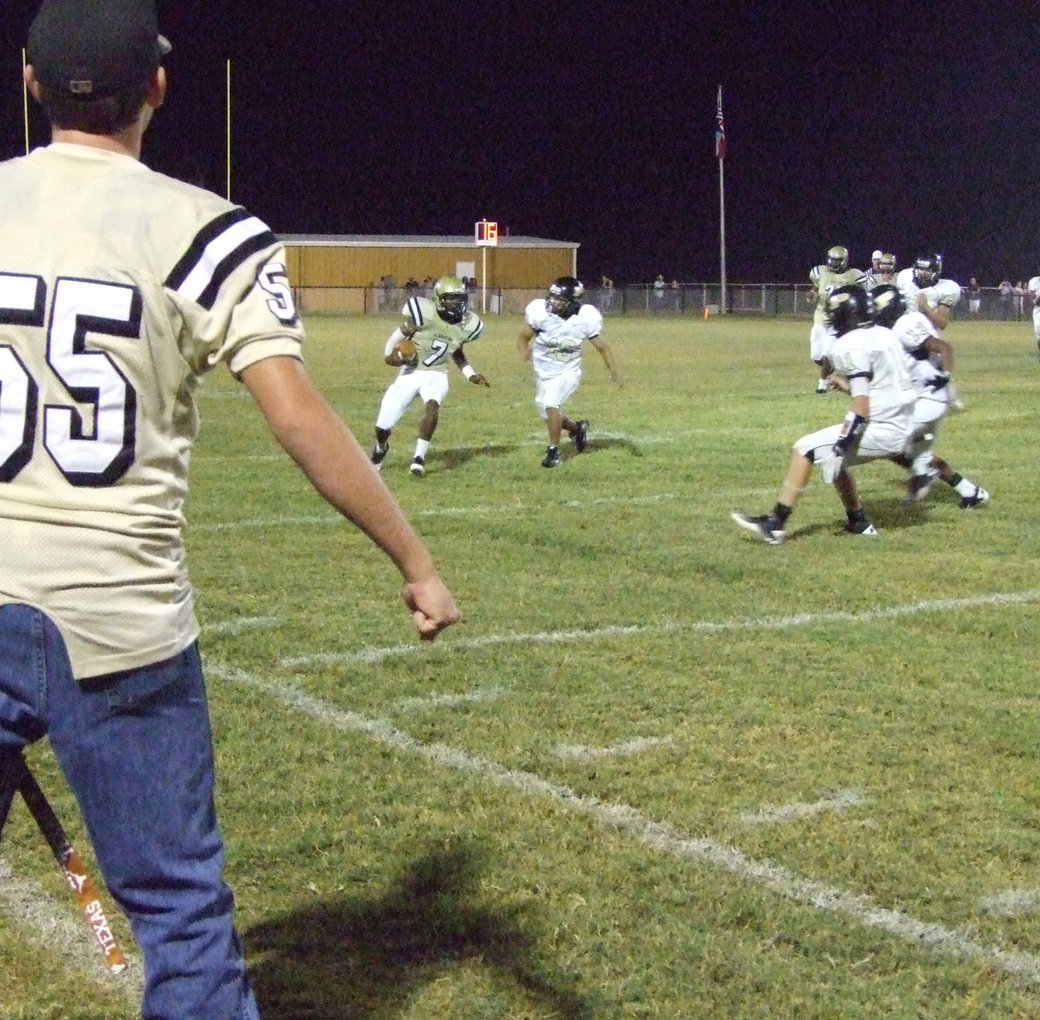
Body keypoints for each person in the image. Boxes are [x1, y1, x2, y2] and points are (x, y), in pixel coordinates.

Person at [0, 3, 461, 1017]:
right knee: (183, 920)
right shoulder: (207, 230)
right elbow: (297, 419)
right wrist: (415, 561)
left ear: (30, 83)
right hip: (119, 623)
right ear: (157, 89)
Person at [731, 284, 915, 543]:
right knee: (829, 450)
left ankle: (776, 523)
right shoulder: (884, 335)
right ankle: (858, 522)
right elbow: (882, 390)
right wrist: (849, 387)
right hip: (902, 422)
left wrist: (841, 447)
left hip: (884, 427)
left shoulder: (851, 344)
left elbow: (861, 409)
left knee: (805, 448)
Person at [870, 285, 990, 510]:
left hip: (929, 398)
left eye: (875, 309)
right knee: (920, 454)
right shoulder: (896, 328)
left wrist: (945, 374)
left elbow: (944, 347)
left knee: (886, 439)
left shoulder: (903, 326)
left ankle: (922, 475)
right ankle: (969, 491)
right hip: (924, 398)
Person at [368, 274, 490, 476]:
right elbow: (391, 350)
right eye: (452, 298)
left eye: (460, 299)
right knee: (383, 426)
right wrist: (395, 358)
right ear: (439, 299)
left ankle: (419, 459)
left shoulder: (465, 325)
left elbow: (456, 350)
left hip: (437, 373)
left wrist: (470, 374)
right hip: (411, 372)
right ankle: (381, 447)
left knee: (432, 404)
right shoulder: (422, 314)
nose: (457, 303)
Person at [517, 276, 622, 467]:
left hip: (567, 372)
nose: (554, 302)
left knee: (551, 403)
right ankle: (577, 428)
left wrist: (614, 372)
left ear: (573, 301)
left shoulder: (585, 318)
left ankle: (554, 452)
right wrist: (524, 351)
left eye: (560, 299)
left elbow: (602, 347)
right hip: (544, 373)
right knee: (548, 412)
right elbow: (523, 338)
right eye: (553, 297)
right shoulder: (540, 313)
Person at [808, 245, 867, 393]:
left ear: (844, 261)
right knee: (816, 355)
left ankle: (822, 385)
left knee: (827, 353)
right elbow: (815, 287)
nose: (833, 263)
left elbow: (860, 295)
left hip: (839, 320)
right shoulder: (821, 272)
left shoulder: (854, 275)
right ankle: (838, 370)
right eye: (831, 260)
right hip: (820, 317)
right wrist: (812, 294)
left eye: (836, 261)